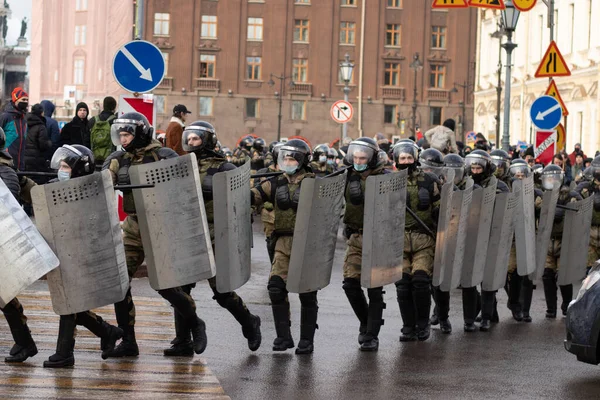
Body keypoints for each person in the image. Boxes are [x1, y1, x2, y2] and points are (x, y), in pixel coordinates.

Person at [101, 112, 207, 358]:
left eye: (127, 134)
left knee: (167, 284)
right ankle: (128, 341)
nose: (123, 139)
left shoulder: (164, 156)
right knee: (119, 283)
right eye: (121, 135)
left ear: (140, 133)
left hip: (161, 224)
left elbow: (184, 189)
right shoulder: (118, 158)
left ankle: (195, 323)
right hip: (133, 225)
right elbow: (105, 181)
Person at [161, 121, 262, 356]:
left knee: (222, 291)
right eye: (189, 138)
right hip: (189, 231)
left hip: (216, 232)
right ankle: (183, 340)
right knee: (181, 289)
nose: (191, 142)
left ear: (207, 140)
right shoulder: (182, 166)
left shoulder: (224, 168)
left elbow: (242, 200)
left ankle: (249, 322)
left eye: (196, 138)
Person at [42, 145, 124, 368]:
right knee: (69, 301)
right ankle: (107, 331)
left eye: (66, 166)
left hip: (81, 253)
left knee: (69, 301)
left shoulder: (92, 193)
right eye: (60, 166)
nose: (61, 170)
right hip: (61, 250)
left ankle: (65, 353)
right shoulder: (56, 188)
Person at [251, 139, 318, 354]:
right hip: (282, 242)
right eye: (285, 158)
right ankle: (283, 336)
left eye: (292, 158)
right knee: (275, 287)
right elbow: (256, 195)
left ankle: (307, 339)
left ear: (302, 161)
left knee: (307, 293)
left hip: (307, 244)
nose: (287, 162)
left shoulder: (314, 183)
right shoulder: (276, 182)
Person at [341, 138, 388, 351]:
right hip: (356, 237)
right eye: (356, 157)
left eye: (363, 158)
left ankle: (371, 335)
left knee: (374, 288)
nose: (359, 161)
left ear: (372, 159)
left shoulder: (386, 179)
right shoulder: (347, 176)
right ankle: (367, 320)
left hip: (378, 237)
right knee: (350, 284)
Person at [393, 139, 441, 342]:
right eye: (402, 158)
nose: (406, 161)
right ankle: (408, 326)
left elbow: (441, 209)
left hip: (423, 238)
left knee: (421, 281)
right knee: (403, 284)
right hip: (399, 240)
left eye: (409, 157)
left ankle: (423, 324)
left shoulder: (429, 181)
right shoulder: (389, 182)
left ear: (415, 158)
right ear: (396, 159)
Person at [0, 126, 38, 363]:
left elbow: (8, 205)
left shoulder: (5, 172)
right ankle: (25, 342)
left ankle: (25, 342)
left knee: (4, 295)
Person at [464, 150, 509, 331]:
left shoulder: (500, 185)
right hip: (471, 235)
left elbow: (503, 207)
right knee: (469, 278)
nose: (475, 171)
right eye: (472, 167)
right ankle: (474, 315)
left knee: (487, 279)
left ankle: (487, 317)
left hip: (491, 235)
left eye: (478, 168)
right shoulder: (465, 183)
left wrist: (482, 193)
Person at [537, 165, 581, 320]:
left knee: (564, 276)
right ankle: (550, 308)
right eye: (548, 178)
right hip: (547, 240)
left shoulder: (570, 195)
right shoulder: (542, 195)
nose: (552, 181)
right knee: (547, 275)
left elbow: (579, 209)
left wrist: (565, 209)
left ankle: (566, 305)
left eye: (554, 178)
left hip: (564, 240)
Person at [0, 87, 28, 170]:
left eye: (27, 100)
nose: (25, 102)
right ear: (15, 100)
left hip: (20, 164)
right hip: (6, 164)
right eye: (23, 100)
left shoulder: (23, 119)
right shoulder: (5, 117)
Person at [24, 104, 53, 183]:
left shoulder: (24, 122)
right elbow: (43, 145)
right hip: (36, 160)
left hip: (24, 158)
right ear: (42, 113)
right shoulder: (41, 126)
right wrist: (49, 143)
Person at [88, 96, 118, 165]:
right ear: (114, 107)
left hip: (95, 158)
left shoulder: (93, 120)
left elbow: (87, 139)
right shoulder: (115, 121)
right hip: (111, 159)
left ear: (103, 106)